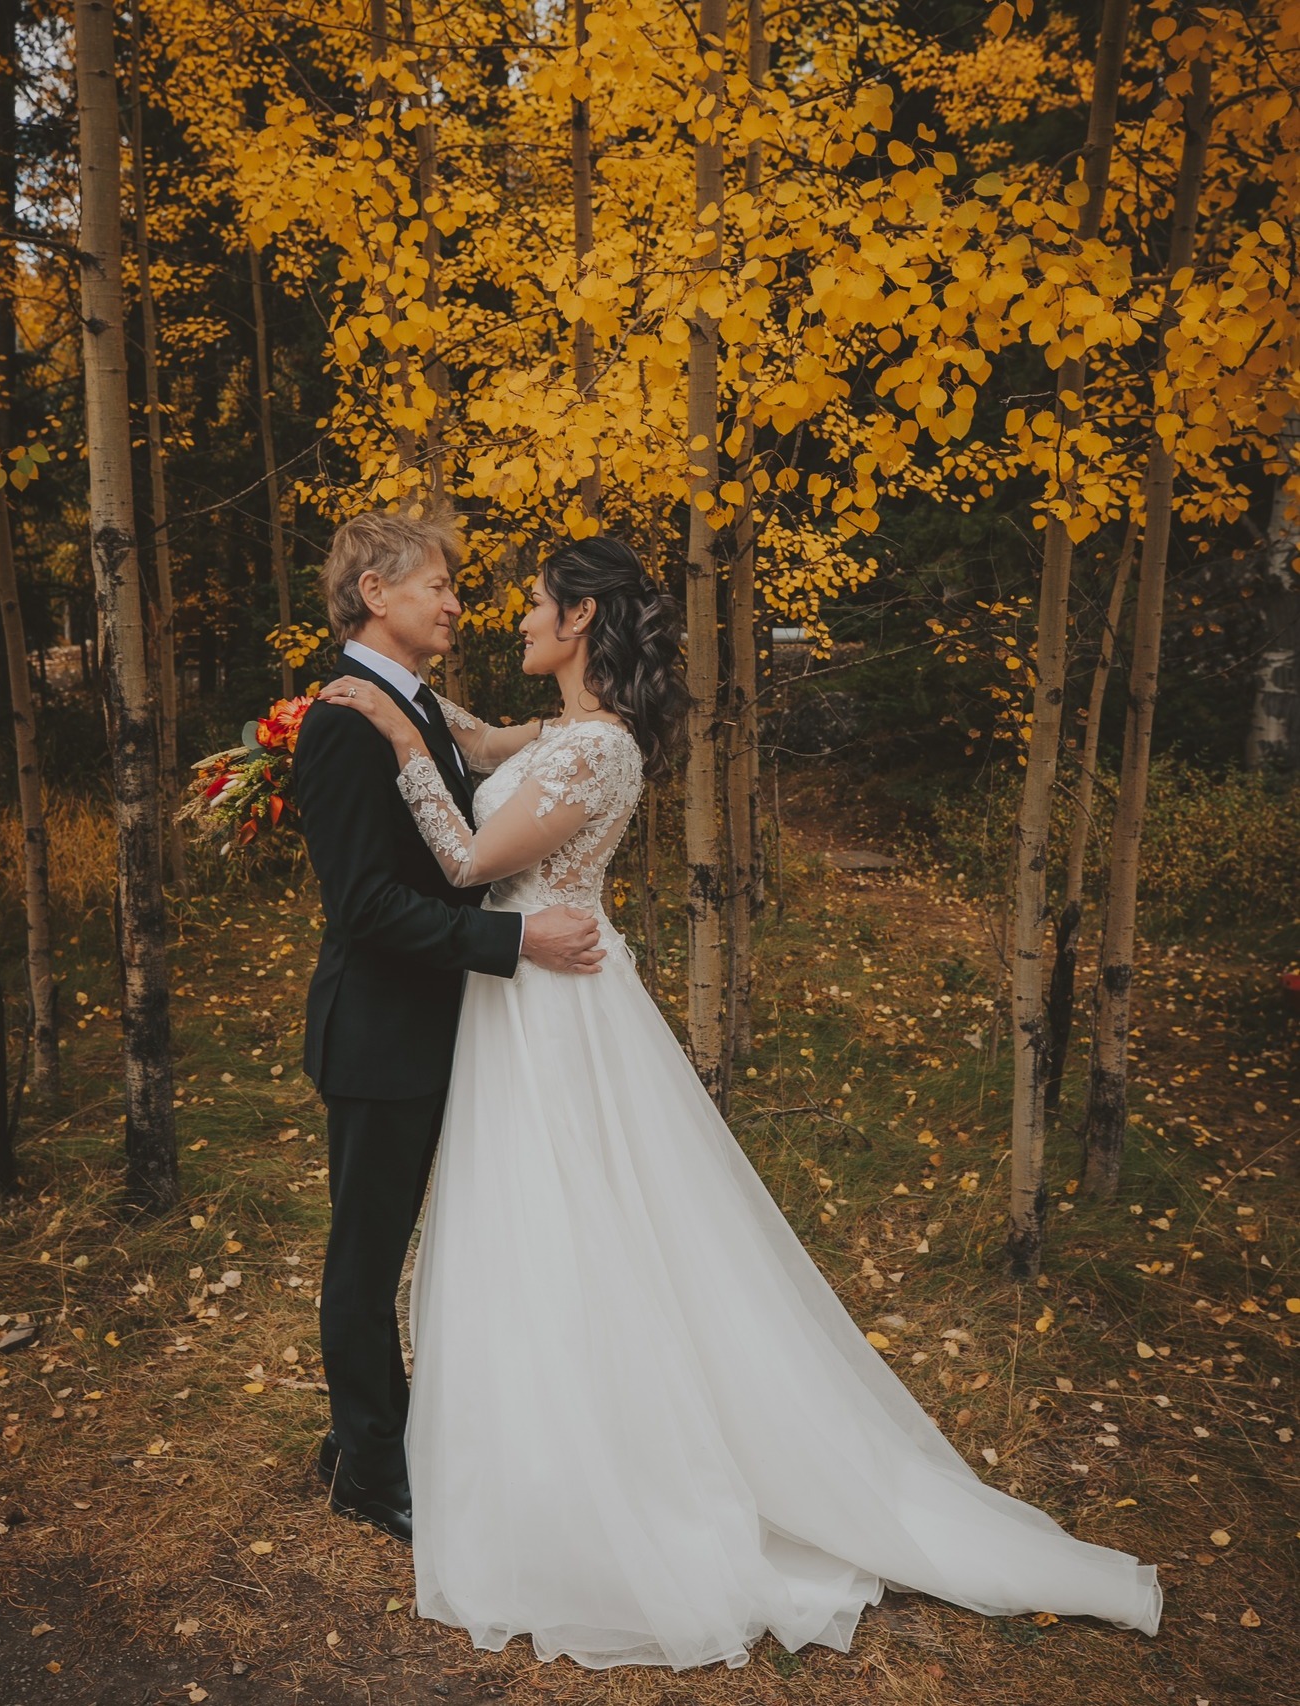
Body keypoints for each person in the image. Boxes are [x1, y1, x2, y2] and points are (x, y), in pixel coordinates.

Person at [316, 528, 1162, 1671]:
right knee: (533, 1227)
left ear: (579, 623)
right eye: (460, 588)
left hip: (552, 1007)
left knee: (582, 1225)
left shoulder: (598, 751)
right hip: (520, 997)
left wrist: (396, 736)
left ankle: (607, 1460)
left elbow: (468, 856)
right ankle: (504, 1443)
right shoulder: (562, 732)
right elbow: (481, 739)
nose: (503, 611)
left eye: (529, 602)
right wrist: (408, 716)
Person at [294, 506, 605, 1544]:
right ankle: (370, 1467)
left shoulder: (411, 703)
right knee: (366, 1254)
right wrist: (516, 946)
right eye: (438, 584)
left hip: (436, 1023)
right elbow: (368, 907)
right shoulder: (343, 718)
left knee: (394, 1244)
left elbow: (475, 763)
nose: (457, 602)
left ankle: (371, 1439)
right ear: (377, 593)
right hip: (381, 1029)